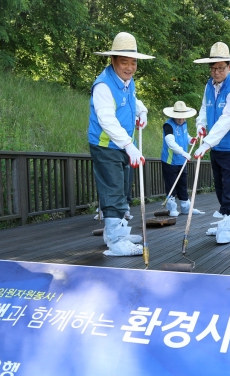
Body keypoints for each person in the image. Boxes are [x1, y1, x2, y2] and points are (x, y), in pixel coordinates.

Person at [88, 32, 153, 256]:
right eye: (124, 62)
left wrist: (141, 111)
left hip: (122, 146)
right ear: (113, 60)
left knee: (123, 188)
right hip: (106, 145)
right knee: (113, 189)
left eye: (133, 62)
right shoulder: (103, 86)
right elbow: (106, 119)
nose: (129, 67)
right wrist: (129, 144)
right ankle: (116, 242)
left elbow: (132, 100)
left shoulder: (127, 81)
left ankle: (115, 230)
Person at [193, 42, 230, 244]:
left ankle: (227, 222)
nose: (216, 72)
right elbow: (204, 109)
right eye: (214, 68)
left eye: (221, 68)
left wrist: (206, 143)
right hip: (215, 147)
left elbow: (227, 119)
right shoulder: (209, 86)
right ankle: (229, 221)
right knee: (220, 186)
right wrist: (200, 124)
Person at [160, 101, 205, 217]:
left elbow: (185, 136)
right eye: (178, 118)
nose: (181, 120)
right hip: (170, 161)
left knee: (183, 184)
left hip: (181, 161)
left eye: (182, 117)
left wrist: (191, 140)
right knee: (171, 185)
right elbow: (170, 142)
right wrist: (183, 153)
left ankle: (186, 208)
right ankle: (172, 209)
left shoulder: (184, 124)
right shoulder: (168, 125)